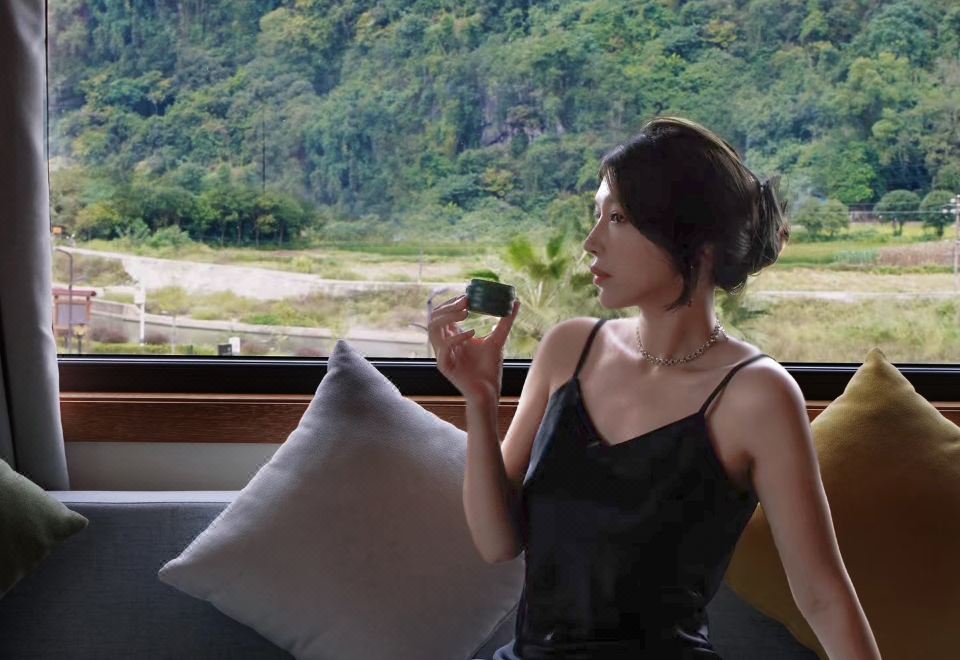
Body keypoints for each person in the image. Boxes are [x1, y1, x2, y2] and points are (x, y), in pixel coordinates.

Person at [427, 116, 881, 659]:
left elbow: (824, 597)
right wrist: (480, 400)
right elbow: (496, 543)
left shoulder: (757, 395)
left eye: (618, 218)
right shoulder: (569, 348)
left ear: (697, 242)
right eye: (597, 215)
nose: (592, 242)